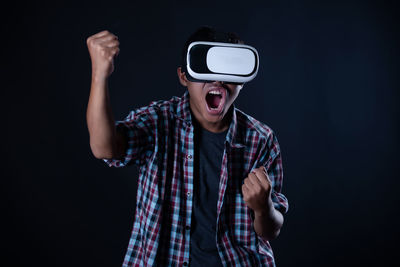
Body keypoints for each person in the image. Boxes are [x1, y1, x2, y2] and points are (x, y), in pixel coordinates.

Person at [86, 26, 288, 267]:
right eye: (206, 69)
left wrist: (263, 207)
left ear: (241, 82)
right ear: (184, 76)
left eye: (229, 71)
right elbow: (104, 148)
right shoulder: (158, 121)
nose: (219, 80)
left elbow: (269, 232)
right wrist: (99, 75)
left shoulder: (260, 139)